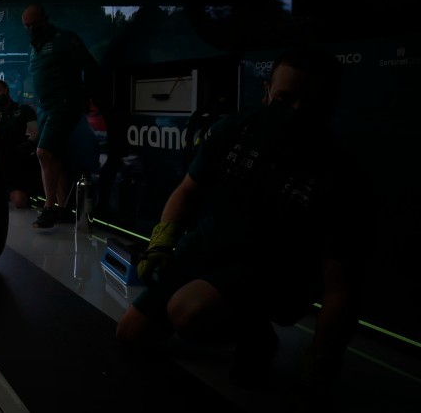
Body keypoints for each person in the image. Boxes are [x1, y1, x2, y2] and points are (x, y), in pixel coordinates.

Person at [115, 48, 366, 403]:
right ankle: (243, 325)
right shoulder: (235, 130)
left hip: (272, 270)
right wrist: (163, 241)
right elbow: (187, 191)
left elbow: (341, 282)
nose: (295, 110)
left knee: (186, 309)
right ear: (267, 92)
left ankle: (257, 336)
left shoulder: (340, 173)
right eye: (285, 98)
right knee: (131, 333)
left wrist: (323, 357)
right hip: (208, 246)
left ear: (329, 102)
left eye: (309, 102)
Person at [22, 4, 101, 228]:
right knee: (53, 157)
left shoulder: (64, 39)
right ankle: (63, 208)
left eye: (34, 24)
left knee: (43, 153)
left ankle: (49, 208)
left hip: (64, 105)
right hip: (46, 107)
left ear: (45, 19)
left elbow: (90, 67)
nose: (30, 29)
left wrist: (85, 97)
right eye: (26, 26)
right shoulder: (34, 47)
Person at [0, 80, 40, 209]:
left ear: (6, 90)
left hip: (23, 159)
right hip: (3, 162)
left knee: (22, 200)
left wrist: (24, 145)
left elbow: (34, 134)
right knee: (18, 200)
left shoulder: (24, 109)